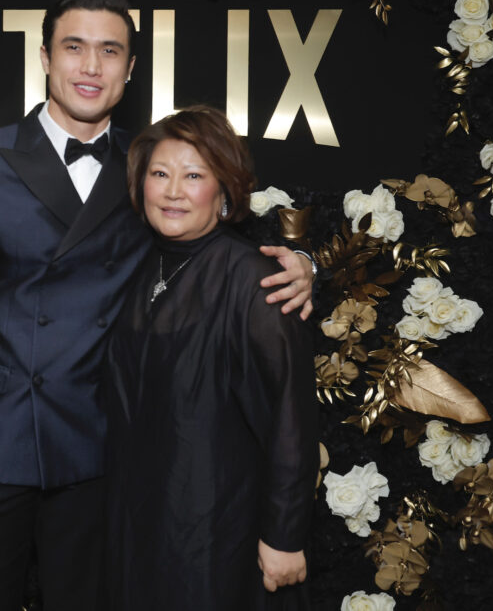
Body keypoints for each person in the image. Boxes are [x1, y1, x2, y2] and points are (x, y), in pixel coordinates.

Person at [0, 0, 315, 611]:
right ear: (45, 57)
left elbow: (218, 243)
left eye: (109, 52)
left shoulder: (150, 165)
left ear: (130, 68)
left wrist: (306, 264)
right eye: (75, 48)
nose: (91, 68)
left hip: (99, 454)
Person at [105, 105, 318, 611]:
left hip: (217, 530)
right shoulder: (141, 264)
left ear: (224, 192)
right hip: (138, 523)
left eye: (193, 176)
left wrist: (285, 535)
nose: (172, 190)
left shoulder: (254, 280)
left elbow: (291, 414)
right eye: (159, 173)